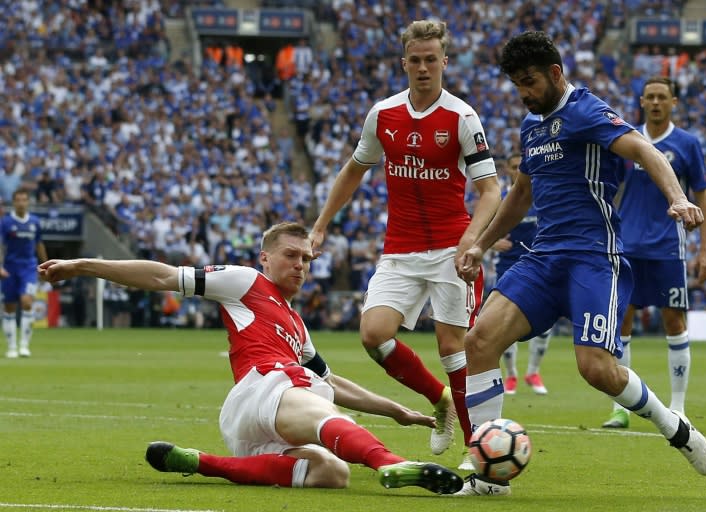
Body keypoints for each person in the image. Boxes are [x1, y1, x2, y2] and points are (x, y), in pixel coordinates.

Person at [456, 32, 706, 496]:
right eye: (516, 84)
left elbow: (644, 150)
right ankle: (489, 479)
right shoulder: (531, 125)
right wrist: (480, 242)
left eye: (529, 81)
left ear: (555, 73)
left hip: (593, 258)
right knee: (479, 341)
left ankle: (672, 424)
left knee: (595, 368)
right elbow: (519, 196)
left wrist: (676, 198)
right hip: (543, 258)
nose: (523, 93)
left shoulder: (587, 111)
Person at [38, 222, 463, 494]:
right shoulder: (246, 282)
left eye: (306, 259)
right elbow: (162, 275)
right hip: (264, 388)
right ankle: (392, 463)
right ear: (265, 257)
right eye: (291, 255)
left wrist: (397, 412)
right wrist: (82, 265)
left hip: (263, 422)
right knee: (319, 406)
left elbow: (331, 382)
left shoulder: (297, 326)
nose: (300, 265)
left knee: (332, 473)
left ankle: (198, 462)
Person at [309, 19, 501, 469]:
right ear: (403, 63)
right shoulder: (383, 114)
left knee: (453, 347)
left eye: (431, 60)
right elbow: (355, 168)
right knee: (373, 335)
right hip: (399, 249)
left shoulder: (462, 117)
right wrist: (321, 225)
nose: (422, 68)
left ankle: (476, 451)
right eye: (415, 60)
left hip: (451, 250)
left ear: (444, 62)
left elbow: (491, 190)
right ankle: (440, 402)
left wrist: (472, 241)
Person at [602, 76, 706, 429]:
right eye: (649, 97)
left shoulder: (687, 144)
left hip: (669, 248)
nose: (655, 102)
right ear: (641, 101)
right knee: (621, 322)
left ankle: (678, 407)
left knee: (674, 322)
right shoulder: (628, 141)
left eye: (661, 97)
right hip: (628, 246)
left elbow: (702, 196)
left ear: (673, 102)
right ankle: (622, 408)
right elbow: (610, 189)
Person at [492, 154, 551, 396]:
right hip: (508, 266)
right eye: (515, 167)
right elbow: (479, 227)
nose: (519, 171)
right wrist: (494, 242)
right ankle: (511, 374)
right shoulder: (501, 199)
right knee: (505, 323)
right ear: (507, 170)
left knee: (545, 325)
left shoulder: (544, 198)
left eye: (522, 167)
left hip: (540, 266)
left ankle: (533, 372)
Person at [1, 189, 47, 358]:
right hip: (10, 269)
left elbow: (39, 244)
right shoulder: (5, 222)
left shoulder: (34, 221)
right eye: (18, 200)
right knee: (9, 307)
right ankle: (12, 347)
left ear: (28, 202)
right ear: (14, 202)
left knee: (27, 302)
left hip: (28, 267)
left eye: (24, 200)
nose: (21, 203)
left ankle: (24, 345)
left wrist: (46, 265)